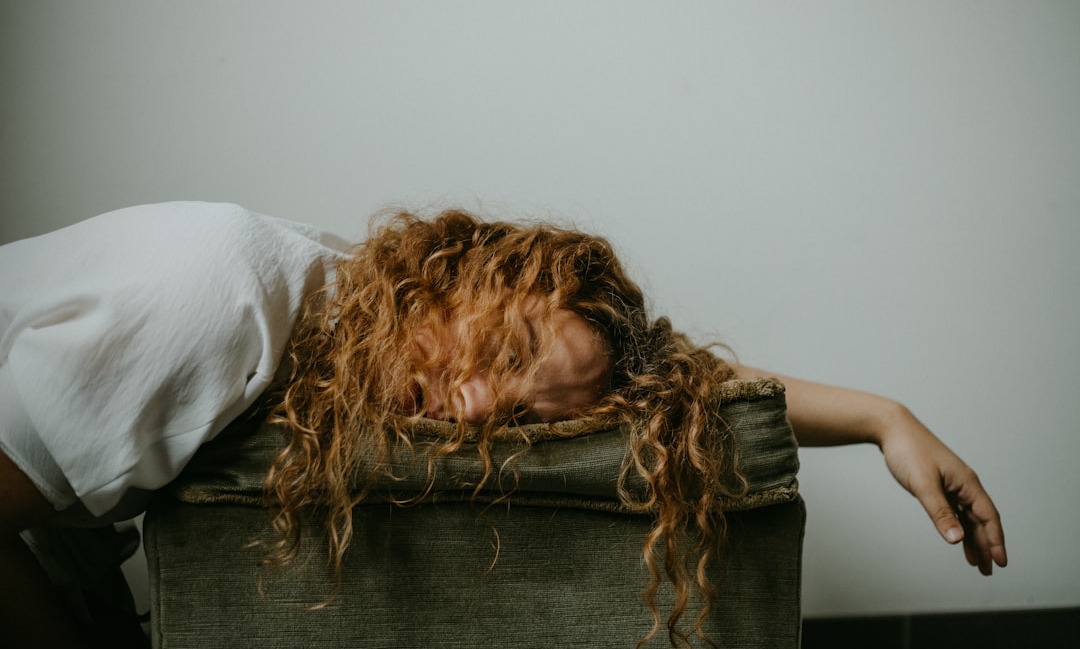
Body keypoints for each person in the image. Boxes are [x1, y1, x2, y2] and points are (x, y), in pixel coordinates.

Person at [1, 202, 1007, 648]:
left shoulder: (339, 313)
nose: (479, 412)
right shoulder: (219, 298)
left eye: (523, 412)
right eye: (510, 351)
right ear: (459, 276)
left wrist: (885, 417)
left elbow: (679, 379)